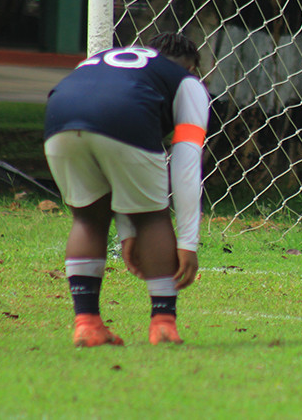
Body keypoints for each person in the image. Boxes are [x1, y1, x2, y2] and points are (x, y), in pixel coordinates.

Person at [44, 32, 209, 347]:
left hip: (59, 113)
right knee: (152, 218)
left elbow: (115, 173)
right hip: (123, 118)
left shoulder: (103, 63)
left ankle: (87, 324)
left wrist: (127, 236)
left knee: (88, 219)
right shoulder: (186, 82)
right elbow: (186, 163)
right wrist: (188, 242)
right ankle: (163, 323)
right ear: (192, 69)